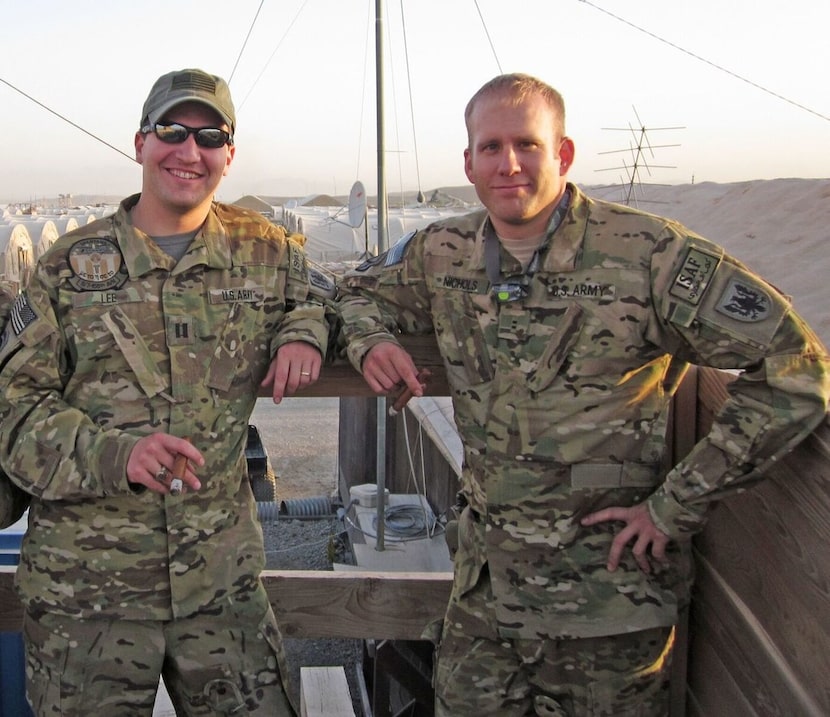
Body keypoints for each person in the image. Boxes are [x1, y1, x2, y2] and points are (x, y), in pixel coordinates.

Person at [335, 72, 830, 715]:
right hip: (486, 599)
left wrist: (674, 506)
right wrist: (372, 342)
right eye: (490, 147)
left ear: (562, 154)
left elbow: (796, 365)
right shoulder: (442, 251)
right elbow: (353, 292)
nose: (508, 163)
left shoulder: (648, 255)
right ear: (468, 162)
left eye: (527, 145)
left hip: (608, 604)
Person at [0, 68, 330, 716]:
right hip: (89, 597)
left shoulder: (266, 253)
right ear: (140, 142)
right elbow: (15, 410)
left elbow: (332, 301)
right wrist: (115, 454)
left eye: (210, 135)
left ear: (229, 154)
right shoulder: (69, 267)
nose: (190, 149)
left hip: (219, 587)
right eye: (172, 130)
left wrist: (305, 332)